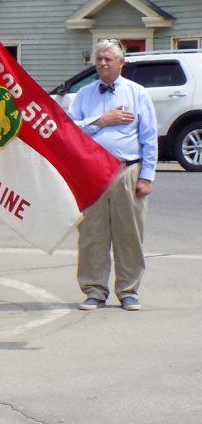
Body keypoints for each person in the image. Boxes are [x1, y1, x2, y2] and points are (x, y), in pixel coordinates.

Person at [68, 39, 158, 311]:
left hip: (126, 170)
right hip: (90, 173)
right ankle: (94, 291)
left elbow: (149, 137)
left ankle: (128, 291)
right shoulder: (84, 95)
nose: (103, 63)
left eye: (108, 58)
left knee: (129, 234)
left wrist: (146, 177)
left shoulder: (137, 93)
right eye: (99, 59)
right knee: (92, 234)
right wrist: (101, 121)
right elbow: (70, 131)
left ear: (121, 62)